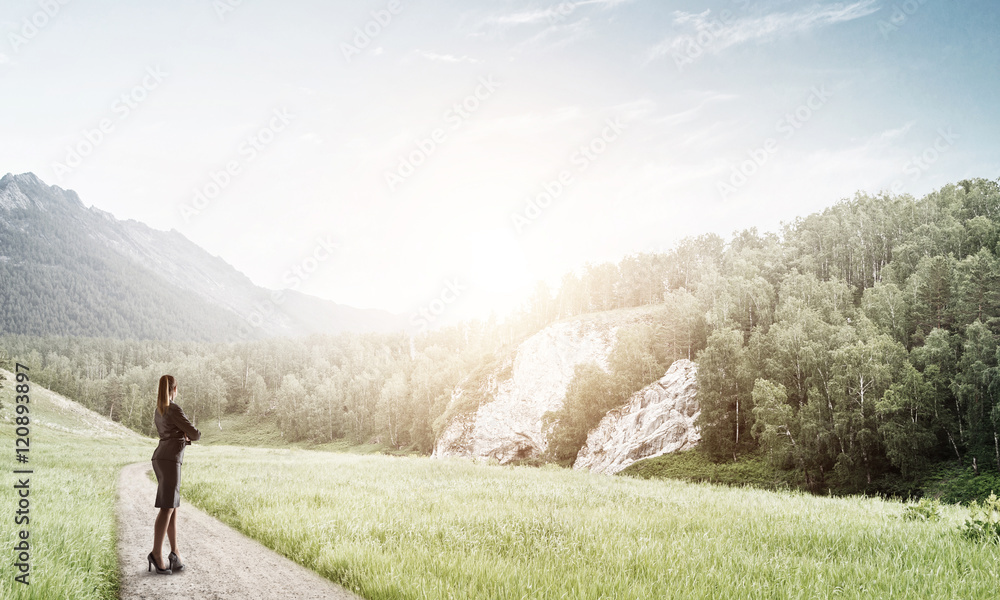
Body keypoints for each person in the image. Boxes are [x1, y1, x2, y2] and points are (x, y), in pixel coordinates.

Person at [148, 374, 201, 575]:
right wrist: (188, 434)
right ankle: (156, 554)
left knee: (172, 506)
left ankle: (175, 553)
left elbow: (171, 432)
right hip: (170, 459)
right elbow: (195, 434)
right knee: (167, 508)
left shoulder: (159, 410)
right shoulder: (174, 408)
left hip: (161, 458)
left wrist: (181, 434)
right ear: (174, 389)